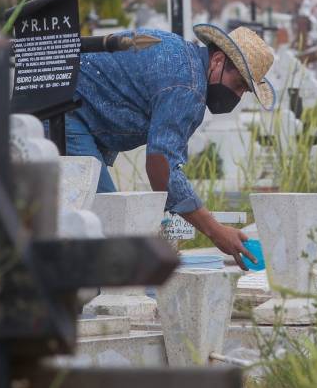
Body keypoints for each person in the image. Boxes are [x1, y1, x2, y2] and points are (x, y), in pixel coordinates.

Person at [66, 23, 276, 270]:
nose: (238, 96)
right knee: (110, 222)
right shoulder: (188, 87)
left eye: (244, 91)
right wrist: (216, 231)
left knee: (95, 224)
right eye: (238, 83)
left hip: (71, 104)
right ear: (218, 60)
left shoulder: (184, 60)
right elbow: (161, 168)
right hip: (67, 114)